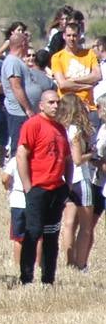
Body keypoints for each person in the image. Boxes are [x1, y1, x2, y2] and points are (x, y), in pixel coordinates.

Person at [17, 90, 71, 285]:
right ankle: (26, 278)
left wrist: (68, 184)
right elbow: (21, 154)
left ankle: (48, 279)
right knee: (32, 232)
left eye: (57, 102)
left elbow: (67, 158)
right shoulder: (33, 125)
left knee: (51, 236)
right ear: (41, 105)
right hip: (38, 188)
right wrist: (28, 186)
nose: (55, 106)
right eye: (51, 102)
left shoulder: (60, 128)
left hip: (57, 188)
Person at [61, 96, 102, 272]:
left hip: (66, 179)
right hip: (80, 179)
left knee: (69, 223)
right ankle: (81, 263)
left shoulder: (61, 129)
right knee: (86, 227)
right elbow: (77, 159)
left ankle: (69, 262)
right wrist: (91, 154)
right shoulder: (75, 130)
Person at [51, 20, 100, 118]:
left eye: (74, 35)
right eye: (68, 35)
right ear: (64, 36)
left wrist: (73, 80)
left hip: (88, 107)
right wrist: (86, 86)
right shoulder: (57, 57)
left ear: (79, 36)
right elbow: (63, 84)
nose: (71, 39)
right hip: (67, 108)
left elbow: (97, 76)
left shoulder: (89, 54)